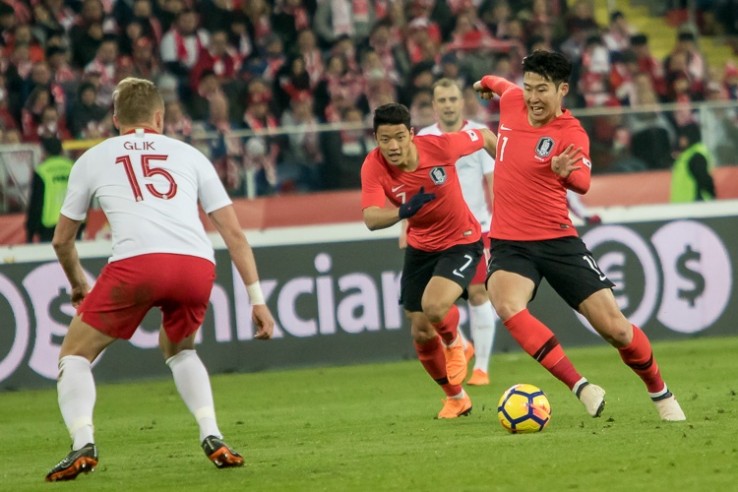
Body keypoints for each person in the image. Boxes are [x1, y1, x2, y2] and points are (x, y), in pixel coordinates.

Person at [46, 77, 275, 482]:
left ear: (115, 119)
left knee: (74, 356)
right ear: (159, 118)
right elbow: (235, 236)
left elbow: (62, 240)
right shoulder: (191, 155)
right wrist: (257, 299)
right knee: (180, 349)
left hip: (137, 265)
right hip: (194, 265)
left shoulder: (92, 159)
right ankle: (212, 433)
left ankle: (83, 441)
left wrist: (78, 282)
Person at [473, 50, 686, 422]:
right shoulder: (512, 100)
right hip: (510, 242)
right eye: (528, 88)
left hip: (558, 242)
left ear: (562, 90)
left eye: (542, 89)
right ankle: (581, 386)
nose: (532, 97)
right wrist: (484, 84)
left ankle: (660, 392)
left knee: (617, 330)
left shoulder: (570, 133)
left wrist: (563, 172)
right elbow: (500, 84)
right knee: (505, 303)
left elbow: (583, 182)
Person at [361, 103, 497, 419]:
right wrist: (403, 212)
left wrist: (513, 169)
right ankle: (456, 398)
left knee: (434, 307)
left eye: (399, 137)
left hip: (462, 239)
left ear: (411, 134)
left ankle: (456, 342)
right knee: (420, 329)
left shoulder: (440, 146)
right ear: (376, 139)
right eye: (385, 139)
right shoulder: (373, 165)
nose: (393, 146)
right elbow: (370, 218)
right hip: (421, 246)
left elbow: (486, 136)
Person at [415, 78, 498, 386]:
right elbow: (415, 186)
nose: (448, 105)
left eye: (453, 99)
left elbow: (493, 180)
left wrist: (500, 221)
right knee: (437, 302)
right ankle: (463, 344)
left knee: (478, 293)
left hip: (476, 228)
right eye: (442, 100)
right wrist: (407, 226)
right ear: (434, 105)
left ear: (461, 102)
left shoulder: (478, 134)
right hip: (437, 233)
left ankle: (482, 368)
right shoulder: (423, 138)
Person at [26, 137, 74, 243]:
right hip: (73, 222)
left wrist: (30, 231)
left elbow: (36, 202)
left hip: (49, 225)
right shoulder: (73, 167)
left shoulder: (41, 171)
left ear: (45, 152)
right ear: (62, 150)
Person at [670, 122, 716, 203]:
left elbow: (704, 179)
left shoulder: (696, 156)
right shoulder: (688, 154)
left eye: (682, 137)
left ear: (689, 137)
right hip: (687, 204)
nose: (680, 140)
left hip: (695, 202)